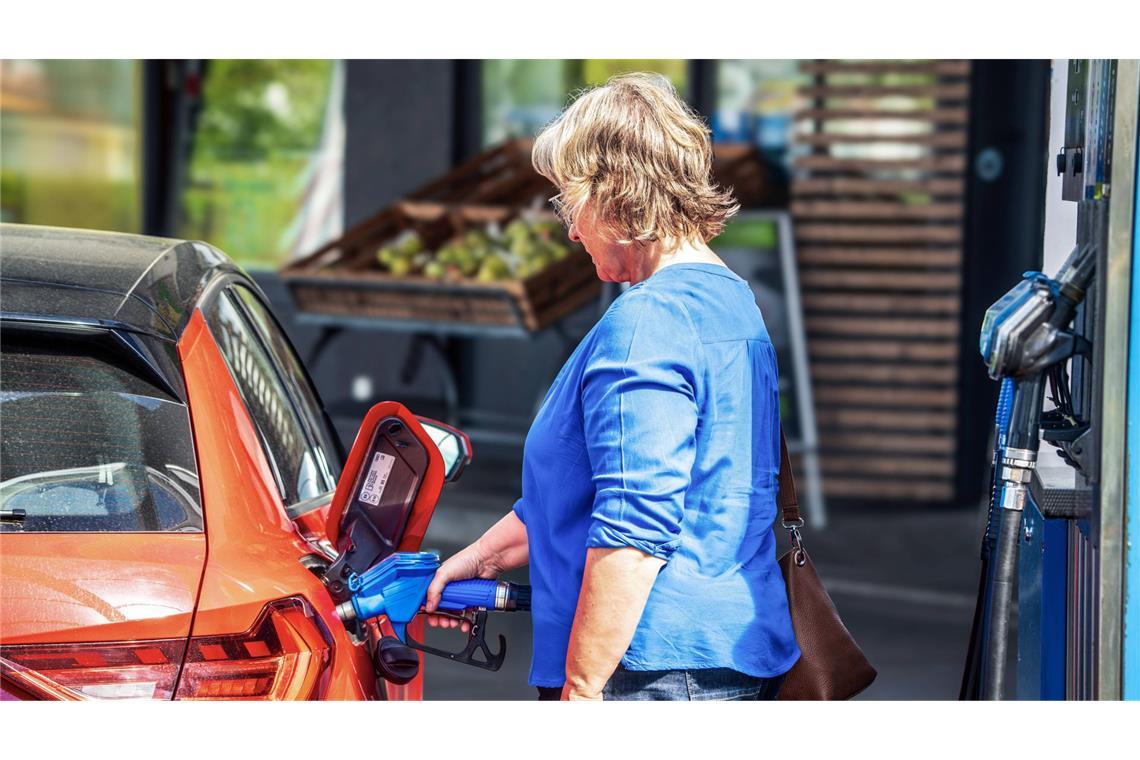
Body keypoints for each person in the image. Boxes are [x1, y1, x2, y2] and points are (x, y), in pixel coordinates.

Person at [424, 72, 800, 701]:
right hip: (721, 656)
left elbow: (635, 526)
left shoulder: (647, 322)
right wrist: (486, 557)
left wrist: (582, 687)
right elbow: (628, 487)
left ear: (617, 192)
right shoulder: (733, 302)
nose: (570, 229)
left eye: (570, 203)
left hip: (649, 672)